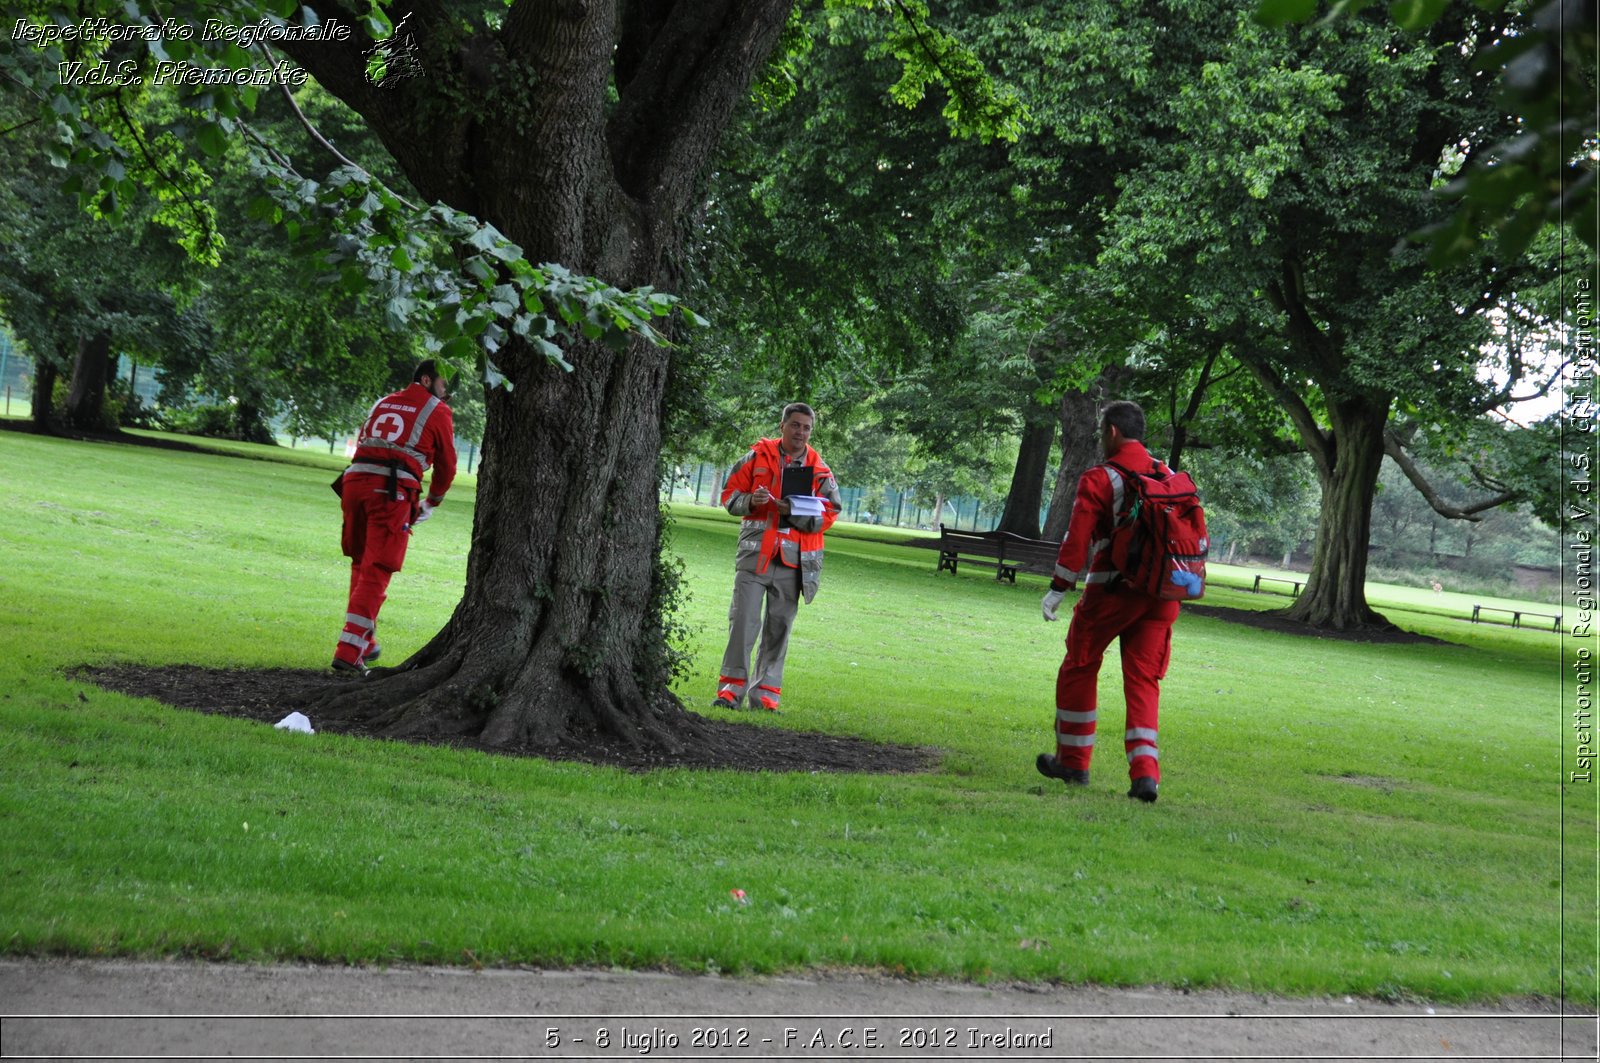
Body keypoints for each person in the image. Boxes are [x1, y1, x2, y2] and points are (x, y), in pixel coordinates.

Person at [1036, 400, 1180, 803]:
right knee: (1144, 682)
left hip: (1114, 590)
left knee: (1080, 664)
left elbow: (1077, 538)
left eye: (1102, 433)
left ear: (1112, 432)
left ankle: (1074, 761)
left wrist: (1059, 587)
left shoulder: (1101, 477)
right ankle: (1145, 776)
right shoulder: (1166, 474)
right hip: (1163, 594)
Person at [713, 403, 843, 712]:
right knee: (742, 623)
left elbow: (831, 512)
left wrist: (793, 510)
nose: (801, 432)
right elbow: (729, 496)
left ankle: (766, 697)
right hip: (755, 557)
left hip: (793, 562)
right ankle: (730, 693)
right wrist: (750, 501)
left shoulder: (819, 469)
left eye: (807, 428)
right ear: (782, 425)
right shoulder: (755, 457)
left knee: (779, 628)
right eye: (796, 425)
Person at [330, 360, 457, 673]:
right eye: (443, 385)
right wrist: (433, 501)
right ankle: (348, 650)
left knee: (361, 562)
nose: (446, 393)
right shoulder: (436, 410)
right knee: (378, 567)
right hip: (390, 491)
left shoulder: (383, 402)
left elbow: (365, 440)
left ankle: (366, 642)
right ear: (426, 380)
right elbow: (448, 465)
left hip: (354, 483)